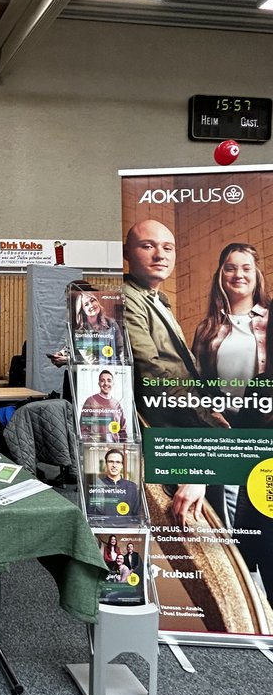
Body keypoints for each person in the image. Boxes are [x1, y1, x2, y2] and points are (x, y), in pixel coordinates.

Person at [123, 218, 228, 526]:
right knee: (191, 526)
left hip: (187, 420)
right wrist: (205, 412)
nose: (160, 255)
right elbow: (150, 373)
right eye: (148, 246)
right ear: (127, 252)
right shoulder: (128, 297)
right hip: (167, 426)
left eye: (167, 248)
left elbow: (182, 367)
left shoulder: (158, 299)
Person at [192, 243, 269, 525]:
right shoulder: (207, 327)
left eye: (246, 268)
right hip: (223, 425)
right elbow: (198, 382)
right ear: (220, 275)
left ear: (257, 275)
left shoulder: (270, 319)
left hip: (263, 424)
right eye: (231, 268)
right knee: (228, 509)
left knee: (261, 505)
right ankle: (241, 569)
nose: (239, 274)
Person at [72, 291, 124, 364]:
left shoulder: (112, 323)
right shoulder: (80, 331)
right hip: (92, 370)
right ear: (82, 310)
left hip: (114, 366)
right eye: (86, 304)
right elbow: (89, 358)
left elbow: (121, 348)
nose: (91, 305)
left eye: (92, 301)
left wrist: (123, 367)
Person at [79, 369, 128, 442]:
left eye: (109, 380)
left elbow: (122, 429)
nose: (106, 383)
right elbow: (83, 428)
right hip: (95, 447)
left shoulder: (116, 404)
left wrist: (123, 446)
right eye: (102, 380)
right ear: (98, 383)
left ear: (113, 383)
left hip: (114, 448)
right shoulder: (91, 401)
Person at [94, 447, 139, 517]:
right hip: (103, 527)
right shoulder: (97, 485)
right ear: (106, 463)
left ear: (122, 465)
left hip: (127, 526)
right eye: (111, 461)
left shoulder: (132, 486)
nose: (114, 465)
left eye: (118, 462)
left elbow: (136, 513)